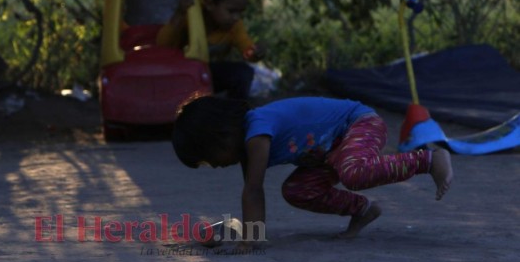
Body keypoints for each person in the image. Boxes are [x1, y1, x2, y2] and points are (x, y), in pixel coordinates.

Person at [172, 95, 454, 244]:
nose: (216, 166)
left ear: (220, 136)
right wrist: (244, 235)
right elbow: (252, 196)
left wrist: (248, 242)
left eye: (209, 159)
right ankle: (362, 209)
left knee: (353, 172)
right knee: (296, 190)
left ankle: (428, 160)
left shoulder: (256, 133)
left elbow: (253, 192)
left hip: (358, 123)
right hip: (329, 153)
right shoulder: (248, 145)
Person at [156, 0, 265, 99]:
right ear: (210, 4)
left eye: (240, 12)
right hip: (181, 76)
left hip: (208, 76)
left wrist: (254, 53)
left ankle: (234, 114)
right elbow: (162, 44)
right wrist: (179, 14)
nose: (236, 17)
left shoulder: (234, 26)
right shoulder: (191, 17)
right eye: (231, 11)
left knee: (243, 73)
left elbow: (246, 48)